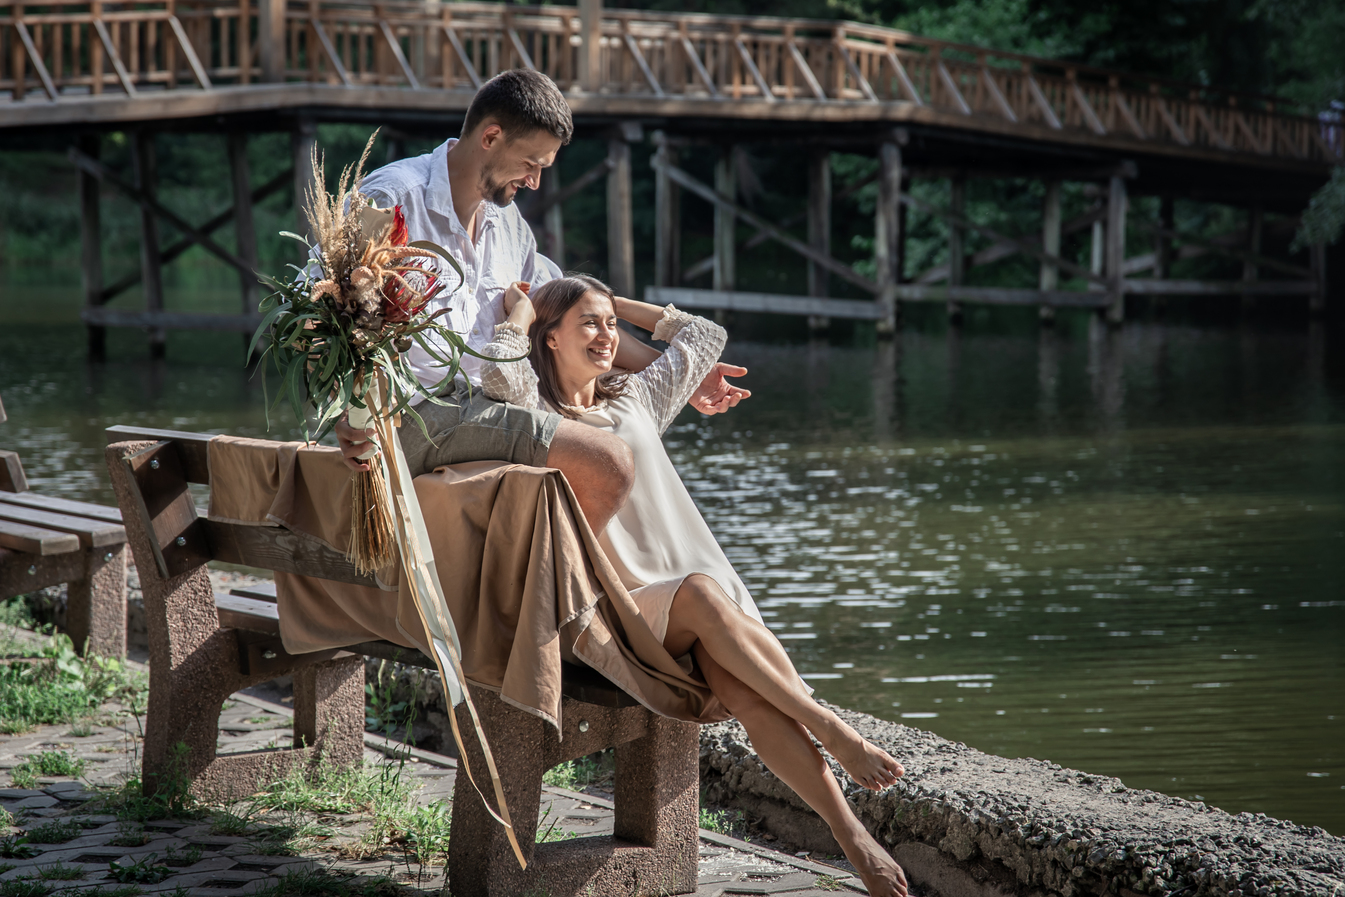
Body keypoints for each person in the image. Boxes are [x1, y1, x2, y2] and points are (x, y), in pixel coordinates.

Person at [477, 275, 910, 897]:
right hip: (617, 606)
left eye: (609, 325)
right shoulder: (535, 417)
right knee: (704, 596)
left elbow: (704, 335)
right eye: (587, 325)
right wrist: (521, 314)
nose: (606, 336)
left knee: (750, 692)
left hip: (694, 593)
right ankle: (831, 727)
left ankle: (852, 838)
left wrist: (607, 298)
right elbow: (497, 375)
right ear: (550, 340)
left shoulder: (635, 401)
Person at [331, 69, 750, 534]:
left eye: (543, 169)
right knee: (605, 459)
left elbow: (573, 316)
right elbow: (324, 312)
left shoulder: (511, 229)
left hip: (498, 403)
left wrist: (676, 377)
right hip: (415, 416)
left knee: (625, 430)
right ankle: (565, 596)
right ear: (491, 136)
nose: (534, 181)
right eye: (531, 164)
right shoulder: (389, 200)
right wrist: (348, 414)